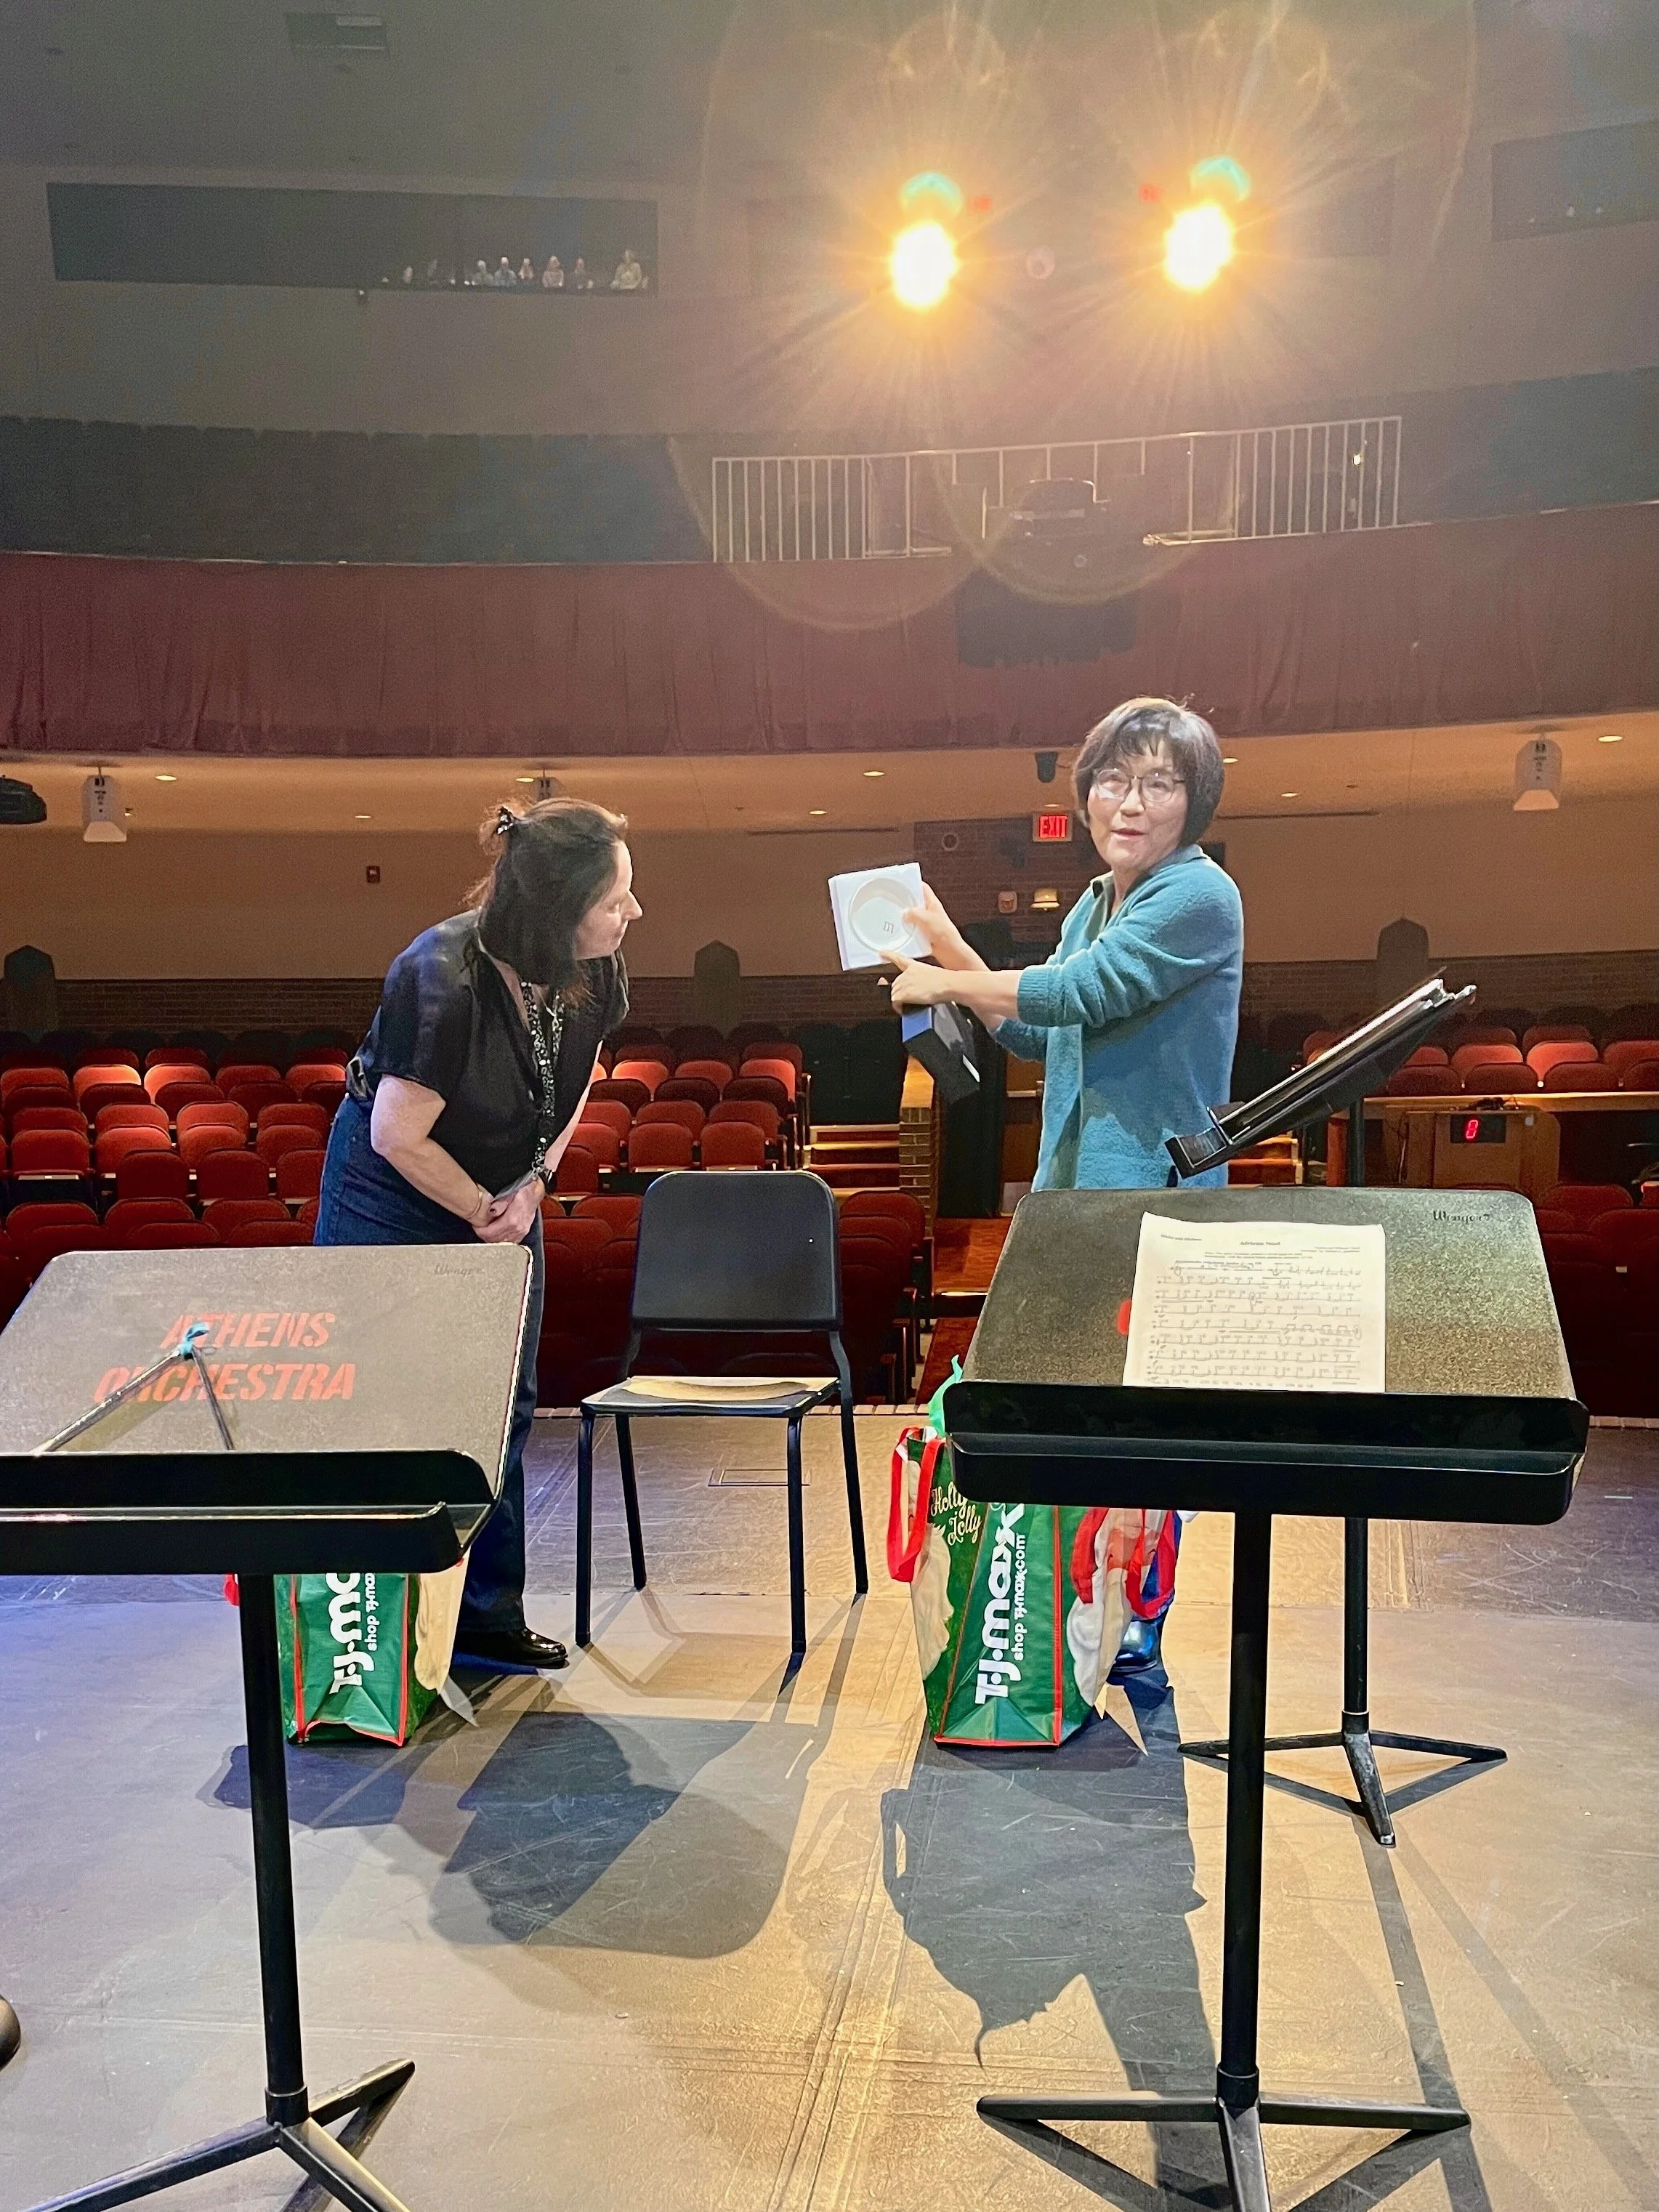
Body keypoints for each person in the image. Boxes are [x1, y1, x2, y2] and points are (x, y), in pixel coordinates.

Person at [888, 695, 1242, 1671]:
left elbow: (1084, 991)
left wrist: (949, 984)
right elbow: (1043, 1031)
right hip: (1067, 1199)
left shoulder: (1197, 896)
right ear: (1085, 791)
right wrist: (951, 952)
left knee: (1140, 1428)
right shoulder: (1094, 900)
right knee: (1071, 1411)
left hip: (1149, 1205)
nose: (1128, 803)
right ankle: (1073, 1605)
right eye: (1112, 780)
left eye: (1157, 784)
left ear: (1191, 801)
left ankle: (1136, 1625)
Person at [315, 798, 642, 1671]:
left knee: (503, 1400)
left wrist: (534, 1186)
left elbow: (574, 1083)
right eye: (616, 899)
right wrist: (478, 1210)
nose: (633, 914)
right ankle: (369, 1633)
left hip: (506, 1190)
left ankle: (486, 1616)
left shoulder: (596, 966)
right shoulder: (440, 974)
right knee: (386, 1402)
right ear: (555, 908)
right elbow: (395, 1133)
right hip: (393, 1193)